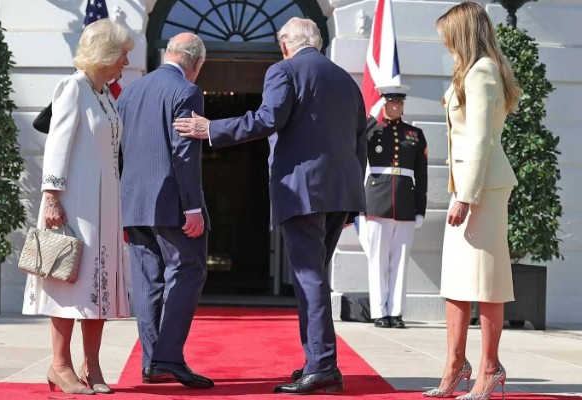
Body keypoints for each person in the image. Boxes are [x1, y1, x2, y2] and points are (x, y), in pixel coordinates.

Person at [173, 17, 367, 395]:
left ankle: (323, 366)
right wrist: (352, 204)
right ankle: (317, 361)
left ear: (284, 45)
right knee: (314, 278)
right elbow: (359, 140)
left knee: (309, 279)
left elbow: (267, 119)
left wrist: (211, 129)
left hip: (303, 190)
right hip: (340, 193)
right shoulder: (345, 78)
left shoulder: (284, 70)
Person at [22, 19, 134, 395]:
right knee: (67, 284)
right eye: (122, 54)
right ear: (105, 53)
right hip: (74, 204)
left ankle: (92, 365)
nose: (125, 61)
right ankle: (59, 365)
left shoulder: (104, 95)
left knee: (97, 289)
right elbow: (58, 143)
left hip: (105, 208)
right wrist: (52, 196)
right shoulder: (72, 87)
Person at [423, 2, 520, 400]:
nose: (444, 42)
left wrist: (466, 197)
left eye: (447, 34)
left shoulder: (482, 71)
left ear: (461, 32)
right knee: (457, 280)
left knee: (486, 281)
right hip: (468, 187)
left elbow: (480, 139)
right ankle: (455, 365)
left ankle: (489, 368)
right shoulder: (471, 70)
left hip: (481, 190)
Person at [117, 33, 214, 389]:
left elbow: (117, 150)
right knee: (188, 270)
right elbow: (183, 153)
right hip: (173, 205)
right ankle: (168, 358)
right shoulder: (187, 91)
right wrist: (193, 207)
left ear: (167, 53)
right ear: (197, 63)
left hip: (134, 203)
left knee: (147, 281)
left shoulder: (130, 92)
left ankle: (151, 362)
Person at [357, 85, 428, 329]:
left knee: (400, 261)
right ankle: (379, 312)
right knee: (377, 260)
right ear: (383, 103)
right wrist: (372, 116)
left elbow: (422, 174)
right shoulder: (372, 131)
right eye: (391, 101)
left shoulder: (415, 134)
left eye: (399, 102)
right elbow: (355, 138)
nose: (396, 105)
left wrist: (420, 209)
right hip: (377, 200)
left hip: (406, 203)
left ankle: (396, 312)